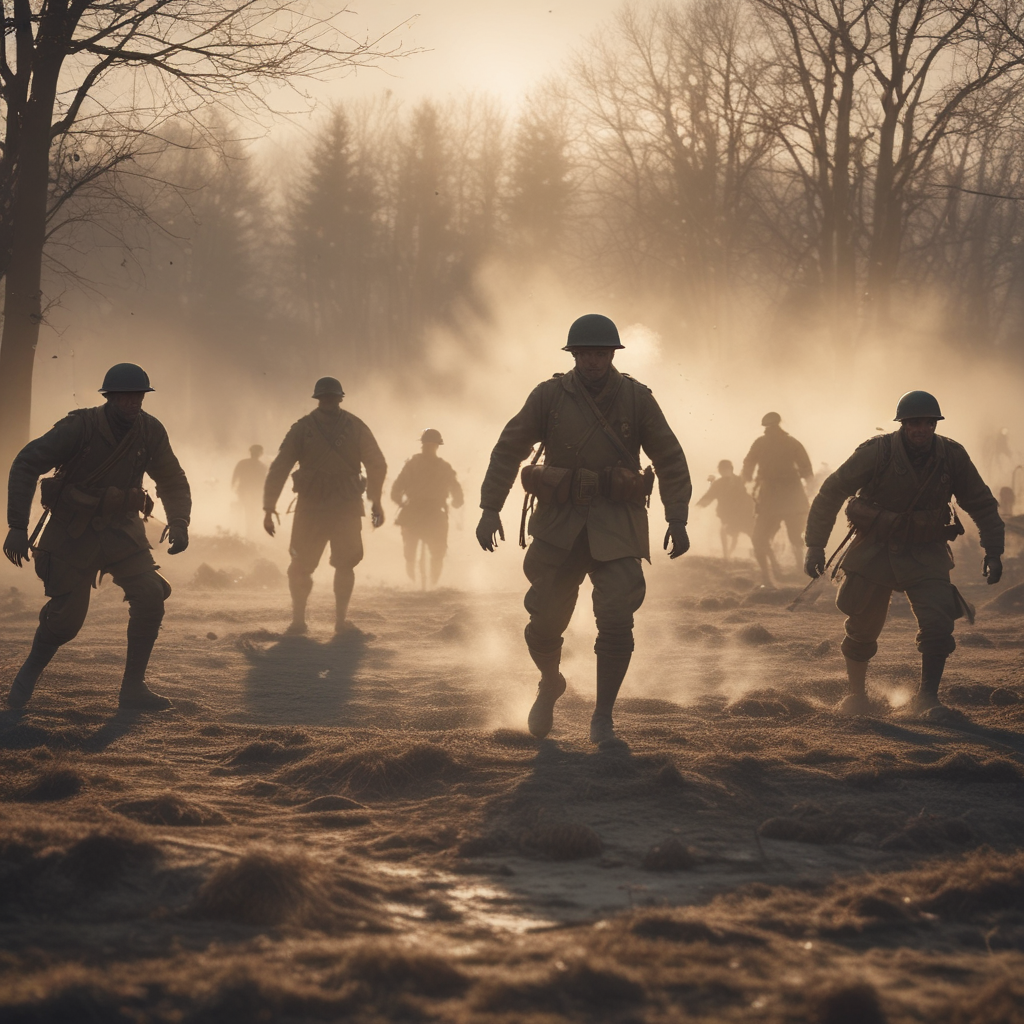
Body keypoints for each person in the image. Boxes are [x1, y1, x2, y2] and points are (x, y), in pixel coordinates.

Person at [476, 313, 692, 744]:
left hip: (617, 524)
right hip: (560, 525)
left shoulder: (637, 399)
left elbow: (669, 457)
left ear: (611, 354)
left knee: (615, 619)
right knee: (544, 621)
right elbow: (508, 450)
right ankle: (550, 681)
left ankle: (603, 716)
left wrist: (677, 517)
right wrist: (489, 508)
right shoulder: (548, 397)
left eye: (601, 353)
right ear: (574, 355)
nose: (594, 361)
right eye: (586, 353)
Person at [804, 390, 1004, 721]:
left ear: (935, 425)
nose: (921, 430)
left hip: (926, 551)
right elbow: (832, 491)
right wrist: (815, 543)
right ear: (902, 424)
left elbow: (981, 503)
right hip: (875, 549)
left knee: (939, 623)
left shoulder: (951, 456)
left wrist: (993, 550)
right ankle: (856, 696)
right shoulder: (877, 453)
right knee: (862, 626)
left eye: (928, 423)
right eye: (914, 423)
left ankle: (927, 699)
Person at [3, 363, 191, 711]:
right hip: (72, 534)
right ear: (109, 397)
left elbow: (171, 478)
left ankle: (133, 689)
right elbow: (27, 462)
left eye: (137, 396)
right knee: (65, 622)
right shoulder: (81, 426)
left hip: (122, 532)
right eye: (124, 396)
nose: (131, 403)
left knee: (151, 594)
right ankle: (26, 677)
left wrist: (179, 520)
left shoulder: (150, 431)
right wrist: (17, 526)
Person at [263, 376, 386, 636]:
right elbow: (280, 466)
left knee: (342, 564)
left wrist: (376, 501)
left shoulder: (312, 427)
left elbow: (377, 464)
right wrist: (268, 506)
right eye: (326, 397)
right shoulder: (345, 426)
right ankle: (302, 621)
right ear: (321, 399)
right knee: (301, 565)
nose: (329, 401)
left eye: (331, 397)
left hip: (333, 509)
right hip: (322, 509)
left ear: (338, 398)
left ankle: (335, 622)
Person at [742, 412, 813, 586]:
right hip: (783, 497)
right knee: (765, 538)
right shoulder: (789, 443)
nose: (771, 430)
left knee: (793, 537)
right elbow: (807, 471)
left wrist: (748, 481)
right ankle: (770, 576)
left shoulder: (765, 443)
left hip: (780, 497)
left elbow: (748, 467)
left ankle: (797, 571)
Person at [390, 428, 464, 587]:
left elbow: (396, 490)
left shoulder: (417, 465)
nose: (429, 448)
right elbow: (395, 490)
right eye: (428, 445)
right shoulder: (437, 466)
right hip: (421, 513)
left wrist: (401, 502)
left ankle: (430, 586)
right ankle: (417, 583)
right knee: (412, 553)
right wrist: (456, 502)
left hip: (424, 513)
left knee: (436, 553)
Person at [695, 459, 754, 560]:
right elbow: (709, 496)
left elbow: (748, 496)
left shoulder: (740, 481)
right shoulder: (718, 483)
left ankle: (759, 551)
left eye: (726, 469)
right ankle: (726, 554)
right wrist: (699, 505)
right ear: (720, 471)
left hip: (742, 514)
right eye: (722, 470)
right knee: (724, 530)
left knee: (751, 533)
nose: (724, 472)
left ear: (731, 469)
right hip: (727, 514)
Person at [232, 444, 266, 539]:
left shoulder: (243, 463)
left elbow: (234, 478)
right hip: (250, 493)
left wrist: (234, 488)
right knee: (251, 512)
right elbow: (265, 482)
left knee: (249, 512)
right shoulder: (262, 466)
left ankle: (248, 533)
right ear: (261, 454)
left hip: (246, 492)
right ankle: (249, 533)